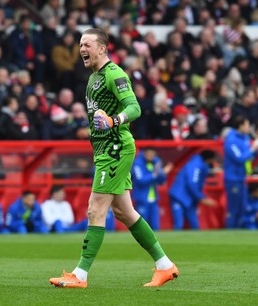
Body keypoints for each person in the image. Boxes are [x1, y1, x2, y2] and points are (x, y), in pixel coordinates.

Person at [49, 28, 178, 289]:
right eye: (80, 44)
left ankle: (80, 275)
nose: (82, 48)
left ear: (102, 48)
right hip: (104, 150)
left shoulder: (115, 74)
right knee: (124, 212)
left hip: (115, 149)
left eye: (87, 44)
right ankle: (165, 266)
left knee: (95, 209)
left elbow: (135, 108)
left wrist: (113, 120)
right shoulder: (93, 77)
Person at [223, 116, 258, 229]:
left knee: (242, 207)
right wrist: (253, 148)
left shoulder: (245, 138)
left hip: (242, 177)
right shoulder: (231, 141)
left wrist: (256, 150)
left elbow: (249, 158)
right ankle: (230, 231)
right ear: (240, 126)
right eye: (246, 124)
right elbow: (239, 158)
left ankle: (239, 233)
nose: (248, 127)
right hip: (232, 179)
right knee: (233, 208)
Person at [168, 150, 216, 230]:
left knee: (195, 225)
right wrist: (201, 198)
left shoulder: (199, 164)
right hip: (179, 196)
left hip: (189, 198)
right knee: (179, 224)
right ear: (209, 159)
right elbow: (192, 183)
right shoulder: (196, 164)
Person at [131, 147, 173, 230]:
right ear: (144, 154)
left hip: (154, 199)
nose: (151, 156)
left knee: (156, 226)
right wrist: (155, 174)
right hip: (142, 199)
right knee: (141, 226)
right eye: (149, 154)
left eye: (153, 154)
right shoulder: (137, 163)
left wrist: (164, 174)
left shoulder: (156, 162)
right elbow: (140, 181)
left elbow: (160, 181)